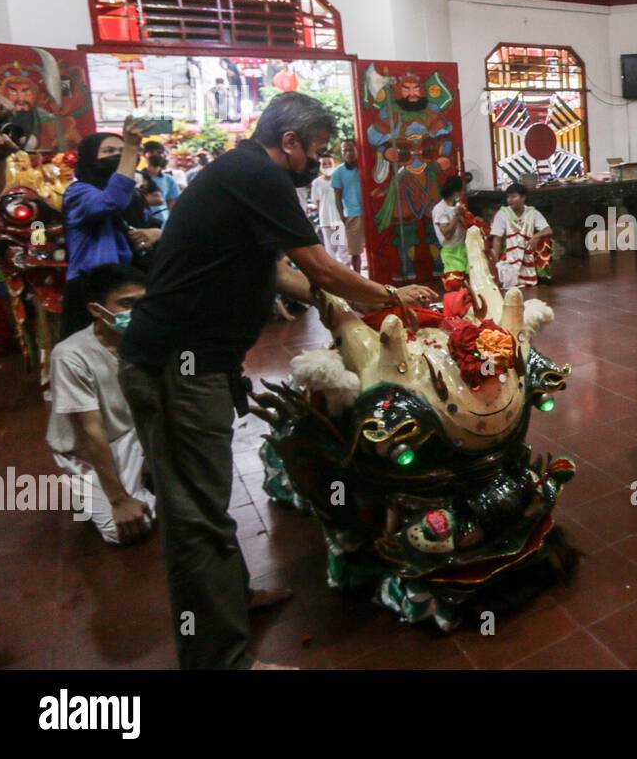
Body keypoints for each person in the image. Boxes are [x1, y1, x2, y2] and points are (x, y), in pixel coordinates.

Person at [117, 92, 437, 670]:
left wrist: (337, 307)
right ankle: (219, 661)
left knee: (204, 507)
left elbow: (280, 273)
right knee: (196, 519)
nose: (316, 163)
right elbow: (314, 263)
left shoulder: (240, 173)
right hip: (176, 366)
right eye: (314, 152)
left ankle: (232, 600)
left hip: (191, 361)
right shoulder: (257, 173)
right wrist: (389, 294)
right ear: (288, 141)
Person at [47, 263, 155, 546]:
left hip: (137, 429)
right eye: (127, 304)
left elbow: (187, 367)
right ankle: (137, 488)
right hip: (92, 446)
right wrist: (119, 499)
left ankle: (151, 482)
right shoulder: (70, 356)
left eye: (143, 302)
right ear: (96, 310)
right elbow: (91, 431)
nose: (138, 312)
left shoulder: (152, 336)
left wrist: (190, 365)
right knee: (122, 529)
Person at [61, 121, 160, 338]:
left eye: (121, 151)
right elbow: (110, 202)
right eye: (108, 151)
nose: (117, 155)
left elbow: (150, 224)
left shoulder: (133, 195)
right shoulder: (78, 192)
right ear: (89, 158)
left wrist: (155, 234)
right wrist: (131, 148)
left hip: (130, 282)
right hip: (92, 285)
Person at [490, 183, 552, 290]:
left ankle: (541, 275)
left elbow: (548, 230)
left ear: (523, 198)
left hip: (528, 251)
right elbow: (497, 240)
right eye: (508, 197)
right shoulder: (503, 213)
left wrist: (536, 236)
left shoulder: (532, 212)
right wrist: (494, 264)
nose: (510, 200)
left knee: (545, 240)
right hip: (509, 254)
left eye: (514, 196)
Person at [431, 175, 472, 290]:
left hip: (465, 248)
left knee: (471, 281)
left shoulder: (457, 206)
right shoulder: (439, 209)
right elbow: (447, 235)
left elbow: (467, 226)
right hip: (451, 251)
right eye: (462, 190)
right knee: (455, 284)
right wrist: (457, 215)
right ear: (455, 193)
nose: (464, 193)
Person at [330, 138, 364, 274]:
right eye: (345, 150)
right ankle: (358, 279)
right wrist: (342, 217)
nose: (348, 153)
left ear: (357, 149)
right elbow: (337, 197)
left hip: (371, 213)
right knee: (355, 252)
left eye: (351, 149)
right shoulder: (338, 173)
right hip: (353, 214)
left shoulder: (365, 166)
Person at [310, 151, 347, 263]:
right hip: (325, 221)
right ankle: (335, 278)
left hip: (338, 221)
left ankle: (347, 274)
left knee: (342, 248)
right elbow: (317, 201)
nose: (327, 166)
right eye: (324, 164)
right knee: (330, 251)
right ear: (320, 166)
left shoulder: (339, 179)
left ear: (333, 164)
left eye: (329, 163)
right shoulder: (316, 183)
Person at [141, 141, 181, 214]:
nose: (155, 155)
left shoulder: (169, 180)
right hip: (144, 222)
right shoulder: (139, 177)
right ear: (143, 155)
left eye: (159, 152)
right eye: (151, 152)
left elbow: (172, 204)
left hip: (164, 222)